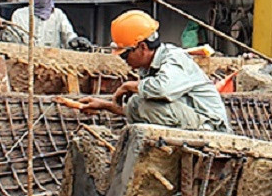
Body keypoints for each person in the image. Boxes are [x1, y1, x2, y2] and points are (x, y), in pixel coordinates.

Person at [81, 10, 231, 131]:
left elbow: (162, 90)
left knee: (140, 103)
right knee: (136, 103)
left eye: (125, 54)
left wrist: (127, 86)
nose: (123, 59)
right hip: (192, 117)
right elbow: (144, 107)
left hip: (211, 125)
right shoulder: (148, 68)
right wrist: (105, 105)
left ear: (142, 47)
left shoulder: (174, 58)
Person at [10, 0, 92, 50]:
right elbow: (14, 41)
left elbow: (69, 36)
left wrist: (76, 41)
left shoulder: (58, 15)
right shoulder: (19, 15)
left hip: (52, 61)